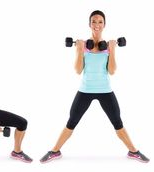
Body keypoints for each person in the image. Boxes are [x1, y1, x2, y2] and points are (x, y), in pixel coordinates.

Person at [40, 10, 150, 163]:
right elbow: (78, 70)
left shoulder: (108, 47)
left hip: (105, 90)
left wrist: (113, 51)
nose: (96, 25)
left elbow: (111, 71)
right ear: (89, 24)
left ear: (104, 25)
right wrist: (79, 50)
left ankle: (133, 151)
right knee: (71, 121)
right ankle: (54, 151)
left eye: (100, 22)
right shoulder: (83, 46)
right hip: (85, 90)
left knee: (117, 122)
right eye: (94, 21)